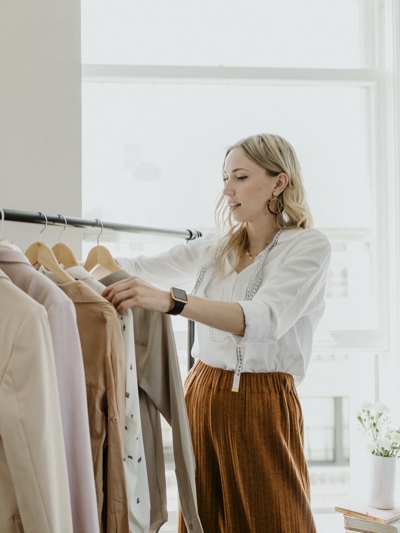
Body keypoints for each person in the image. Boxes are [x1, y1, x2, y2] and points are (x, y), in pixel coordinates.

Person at [101, 133, 330, 532]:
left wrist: (173, 302)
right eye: (226, 178)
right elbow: (137, 266)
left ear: (279, 182)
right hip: (201, 392)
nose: (227, 189)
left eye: (240, 177)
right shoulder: (215, 248)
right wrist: (52, 261)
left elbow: (263, 318)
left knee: (277, 517)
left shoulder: (308, 247)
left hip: (263, 401)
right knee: (202, 517)